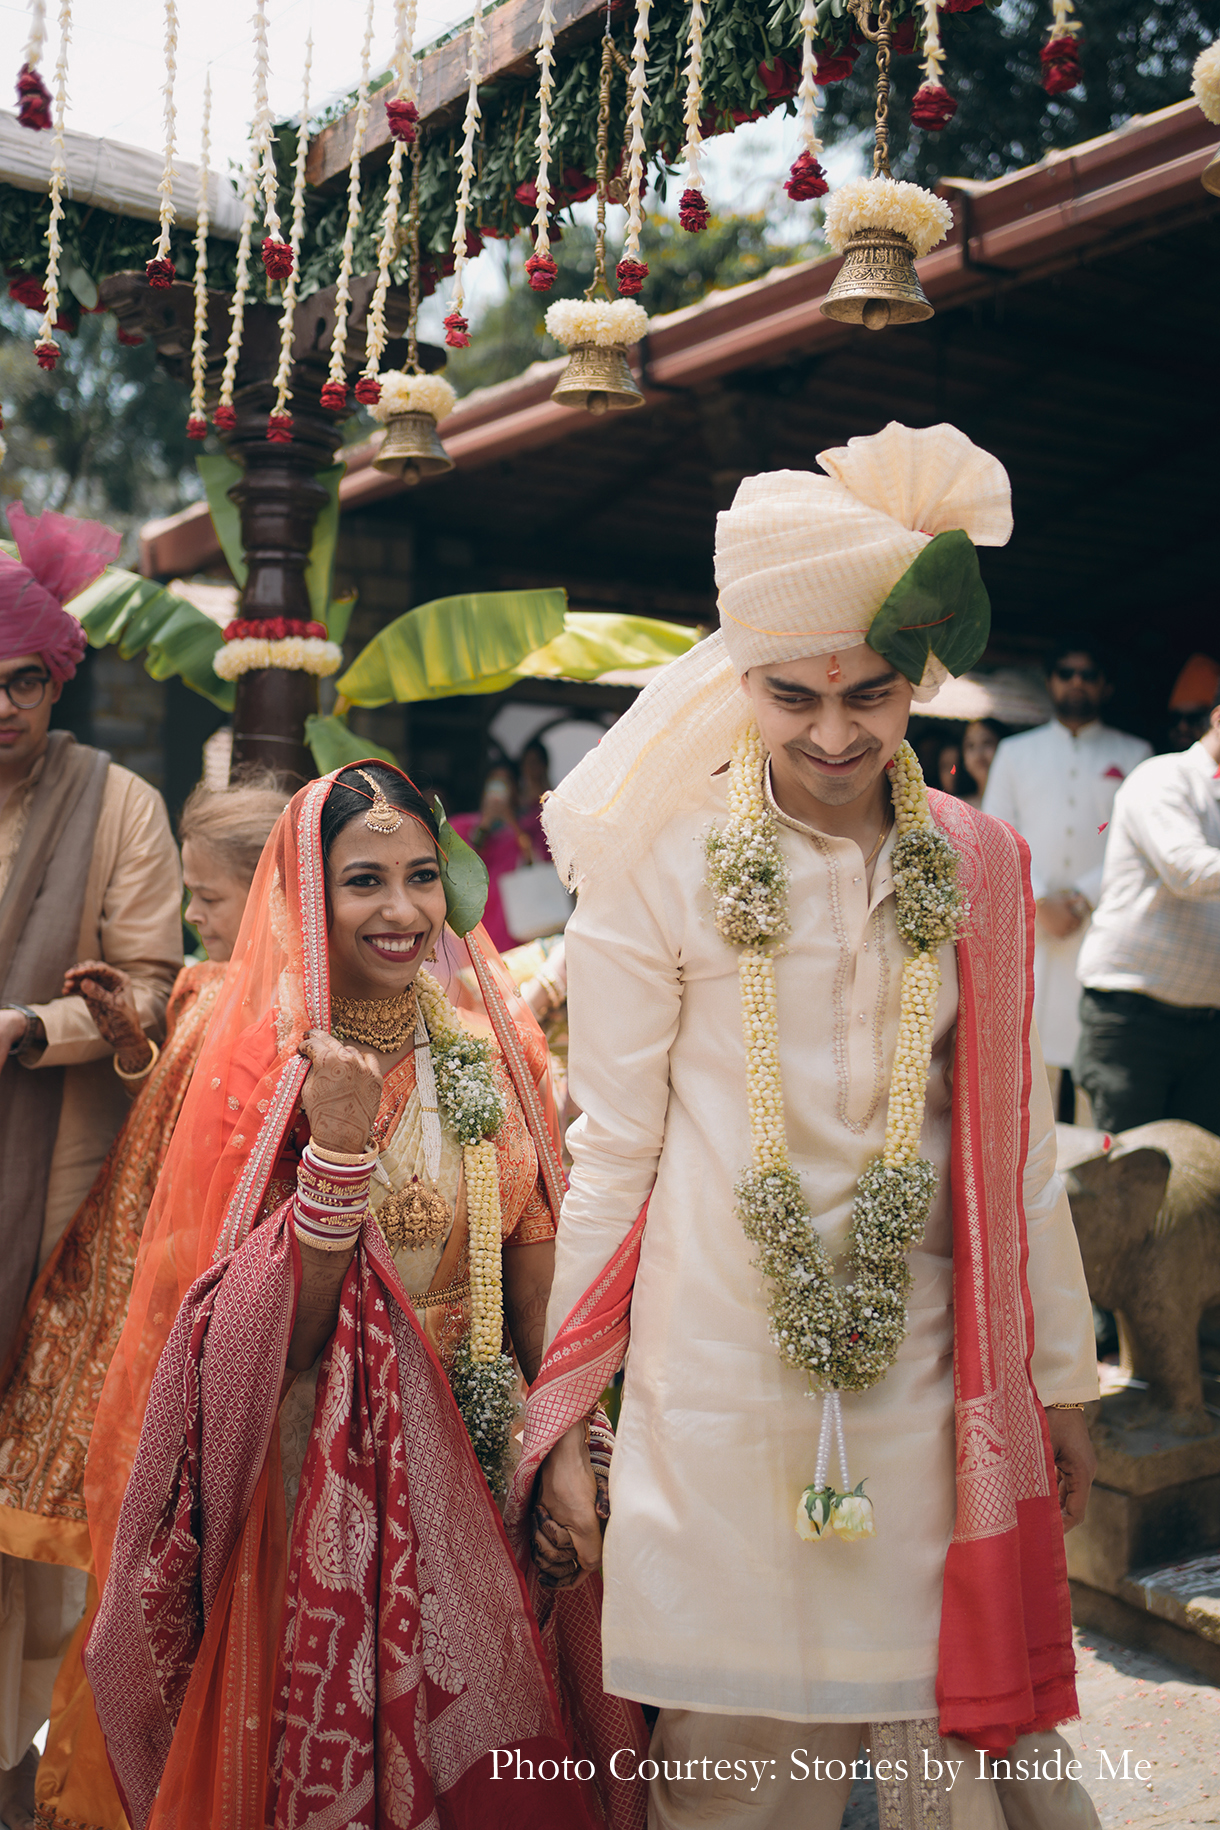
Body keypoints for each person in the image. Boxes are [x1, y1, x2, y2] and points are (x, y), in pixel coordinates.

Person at [514, 423, 1101, 1830]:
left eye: (873, 693)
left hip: (928, 1366)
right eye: (792, 696)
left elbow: (1016, 1144)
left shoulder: (980, 860)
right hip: (716, 1365)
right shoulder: (659, 863)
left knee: (941, 1739)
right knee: (729, 1748)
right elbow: (611, 1148)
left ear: (919, 683)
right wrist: (564, 1412)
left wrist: (1061, 1377)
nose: (835, 733)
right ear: (737, 681)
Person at [84, 762, 645, 1830]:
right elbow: (269, 1348)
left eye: (421, 877)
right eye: (363, 882)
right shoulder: (269, 1066)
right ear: (306, 892)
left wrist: (565, 1454)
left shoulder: (496, 1048)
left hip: (487, 1455)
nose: (400, 911)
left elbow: (535, 1278)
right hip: (326, 1474)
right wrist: (338, 1154)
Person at [0, 775, 288, 1830]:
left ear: (267, 893)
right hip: (140, 1290)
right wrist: (131, 1037)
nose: (194, 920)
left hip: (199, 1314)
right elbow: (181, 1094)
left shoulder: (286, 1005)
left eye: (210, 900)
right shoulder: (215, 987)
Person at [0, 503, 182, 1827]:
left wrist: (36, 1028)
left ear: (58, 680)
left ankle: (22, 1756)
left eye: (22, 680)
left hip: (48, 1182)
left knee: (27, 1486)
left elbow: (154, 990)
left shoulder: (119, 804)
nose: (2, 706)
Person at [983, 638, 1149, 1114]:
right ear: (1050, 680)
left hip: (1102, 920)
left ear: (1106, 685)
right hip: (1032, 922)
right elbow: (997, 833)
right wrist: (1037, 900)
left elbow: (1134, 836)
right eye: (1065, 672)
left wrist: (1083, 896)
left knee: (1096, 1059)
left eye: (1088, 673)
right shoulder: (1016, 753)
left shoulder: (1134, 753)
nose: (1076, 682)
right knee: (1029, 1058)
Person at [1075, 683, 1220, 1136]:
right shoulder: (1164, 777)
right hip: (1135, 1019)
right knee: (1126, 1182)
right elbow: (1187, 870)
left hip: (1208, 1026)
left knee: (1196, 1192)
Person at [452, 758, 549, 952]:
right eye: (494, 783)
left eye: (505, 783)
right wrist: (486, 823)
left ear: (515, 788)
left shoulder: (530, 827)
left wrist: (511, 821)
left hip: (513, 924)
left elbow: (536, 863)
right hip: (475, 922)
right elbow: (460, 866)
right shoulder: (463, 825)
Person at [1165, 653, 1220, 754]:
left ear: (1216, 720)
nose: (1182, 727)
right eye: (1175, 718)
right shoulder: (1156, 767)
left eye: (1194, 718)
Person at [960, 717, 1006, 806]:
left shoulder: (1019, 803)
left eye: (987, 742)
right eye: (970, 745)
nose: (978, 753)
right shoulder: (956, 807)